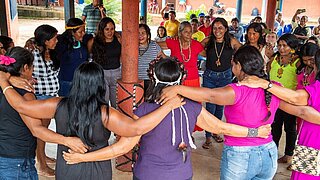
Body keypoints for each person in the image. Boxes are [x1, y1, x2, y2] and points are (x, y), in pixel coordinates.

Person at [62, 57, 271, 180]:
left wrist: (83, 157)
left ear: (152, 78)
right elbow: (222, 128)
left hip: (148, 174)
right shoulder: (192, 107)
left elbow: (121, 148)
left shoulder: (144, 110)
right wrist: (255, 132)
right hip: (181, 174)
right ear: (180, 79)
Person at [0, 61, 185, 180]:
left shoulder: (57, 105)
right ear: (100, 84)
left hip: (68, 165)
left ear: (77, 81)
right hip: (98, 170)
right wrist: (167, 107)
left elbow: (22, 107)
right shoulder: (106, 114)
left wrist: (5, 83)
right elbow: (136, 128)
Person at [159, 45, 290, 179]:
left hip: (240, 155)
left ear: (239, 66)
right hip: (268, 152)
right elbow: (298, 106)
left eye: (233, 64)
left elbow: (210, 95)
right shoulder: (274, 88)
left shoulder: (237, 90)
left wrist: (178, 89)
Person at [0, 47, 86, 179]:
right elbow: (36, 129)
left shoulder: (3, 85)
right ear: (25, 67)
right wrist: (67, 141)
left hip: (4, 154)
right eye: (32, 66)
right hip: (17, 160)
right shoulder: (24, 95)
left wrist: (8, 79)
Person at [239, 49, 320, 180]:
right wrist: (272, 97)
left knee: (305, 176)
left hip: (313, 142)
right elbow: (302, 111)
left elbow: (296, 100)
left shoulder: (317, 87)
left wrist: (264, 84)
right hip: (312, 141)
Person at [200, 17, 242, 148]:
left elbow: (242, 51)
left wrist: (234, 61)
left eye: (220, 28)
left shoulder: (232, 41)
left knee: (220, 107)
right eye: (215, 28)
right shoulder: (208, 40)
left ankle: (216, 132)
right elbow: (197, 49)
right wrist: (208, 55)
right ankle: (207, 137)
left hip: (225, 76)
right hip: (209, 77)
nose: (217, 31)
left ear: (225, 29)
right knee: (210, 108)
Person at [267, 33, 301, 165]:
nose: (281, 48)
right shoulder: (274, 59)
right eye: (279, 45)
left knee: (290, 128)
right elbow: (269, 72)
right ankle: (273, 152)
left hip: (290, 101)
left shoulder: (297, 62)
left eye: (284, 46)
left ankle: (289, 154)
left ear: (292, 47)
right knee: (275, 127)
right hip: (275, 100)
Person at [32, 24, 60, 176]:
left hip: (51, 96)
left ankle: (42, 157)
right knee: (41, 132)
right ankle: (41, 165)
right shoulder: (34, 54)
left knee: (44, 130)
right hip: (40, 98)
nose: (57, 41)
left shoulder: (52, 52)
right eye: (54, 38)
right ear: (46, 40)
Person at [88, 17, 121, 108]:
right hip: (101, 73)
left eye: (112, 29)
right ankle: (104, 121)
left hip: (116, 72)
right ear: (101, 29)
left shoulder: (118, 39)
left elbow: (122, 56)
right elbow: (89, 57)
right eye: (107, 29)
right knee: (103, 102)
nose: (110, 32)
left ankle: (115, 121)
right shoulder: (93, 41)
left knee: (116, 102)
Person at [55, 18, 88, 97]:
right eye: (80, 32)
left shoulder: (83, 41)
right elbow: (44, 40)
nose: (83, 33)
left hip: (82, 82)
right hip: (67, 82)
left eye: (84, 31)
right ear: (72, 32)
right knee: (67, 106)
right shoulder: (61, 43)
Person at [138, 24, 165, 92]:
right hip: (136, 81)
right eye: (138, 33)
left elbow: (164, 58)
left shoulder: (154, 45)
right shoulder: (131, 45)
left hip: (151, 81)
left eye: (143, 33)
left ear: (148, 35)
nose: (140, 35)